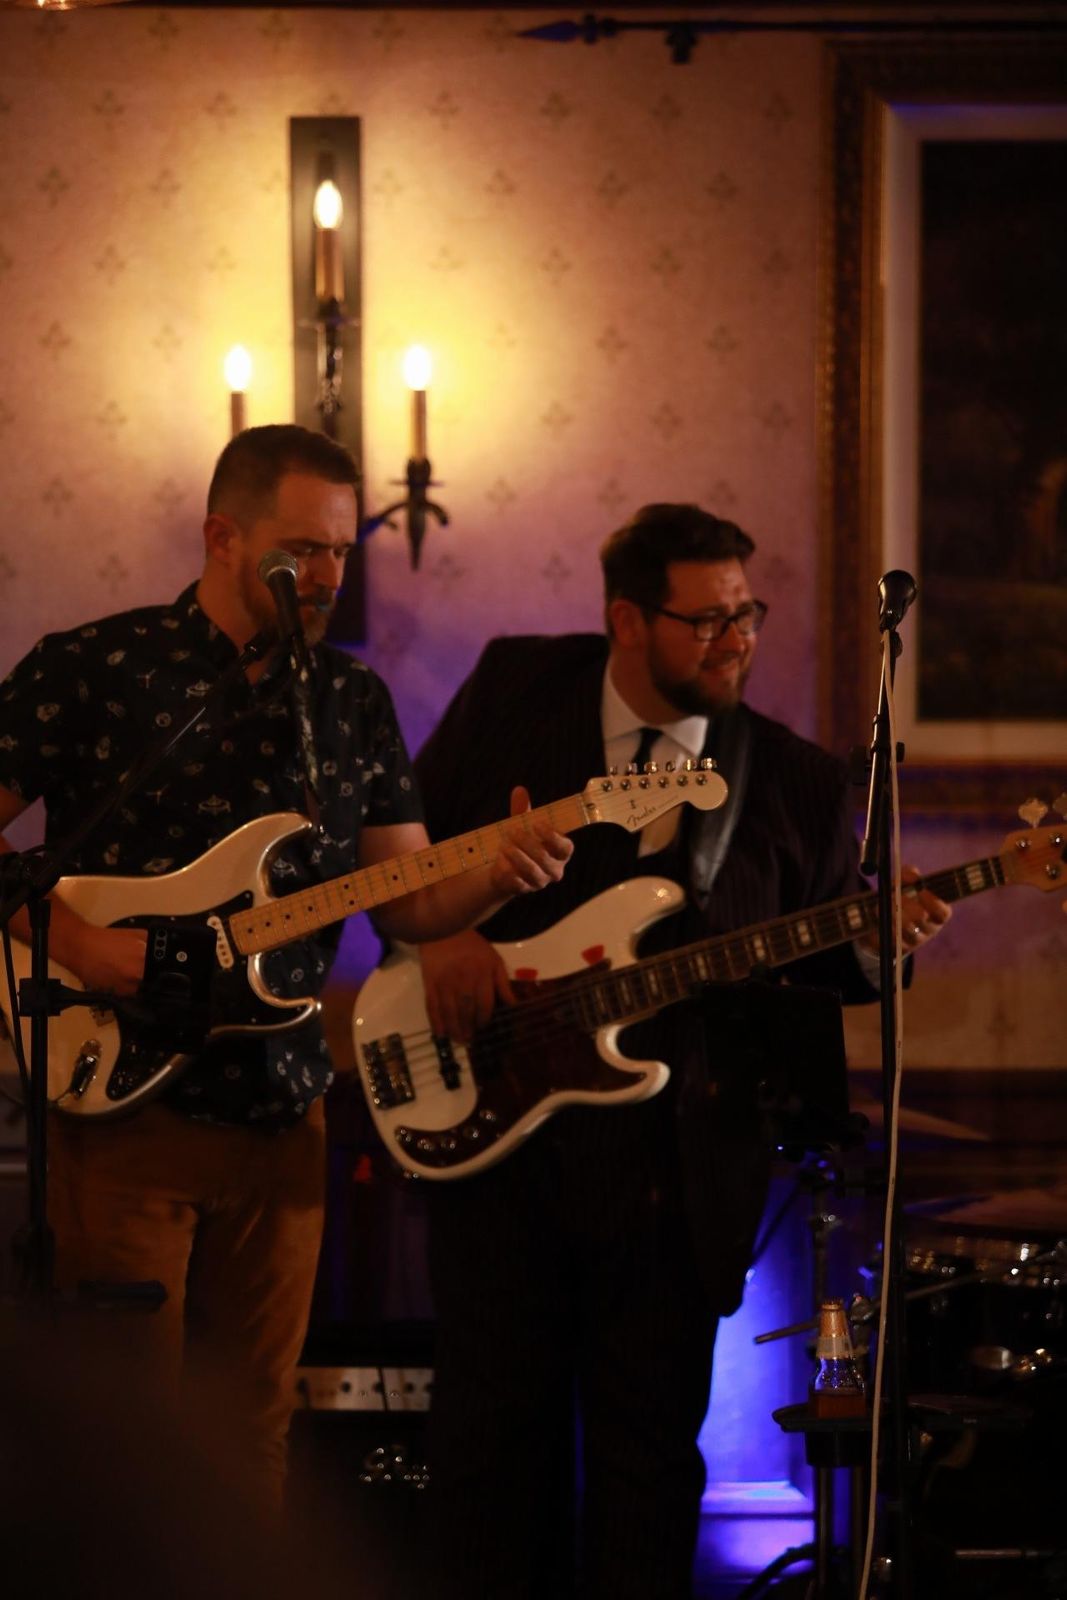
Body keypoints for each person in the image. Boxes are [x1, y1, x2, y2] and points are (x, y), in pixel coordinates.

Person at [0, 423, 572, 1506]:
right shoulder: (94, 668)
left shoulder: (349, 702)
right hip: (125, 1104)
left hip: (286, 1111)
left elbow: (409, 900)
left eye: (342, 551)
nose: (327, 577)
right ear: (222, 537)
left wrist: (501, 876)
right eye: (302, 550)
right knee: (122, 1451)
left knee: (252, 1437)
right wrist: (78, 944)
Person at [412, 503, 951, 1599]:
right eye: (705, 620)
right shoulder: (516, 689)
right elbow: (403, 841)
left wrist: (876, 942)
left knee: (648, 1472)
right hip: (498, 1150)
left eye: (745, 614)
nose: (735, 639)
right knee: (487, 1461)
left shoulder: (797, 780)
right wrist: (440, 936)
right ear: (626, 619)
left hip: (677, 1173)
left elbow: (823, 966)